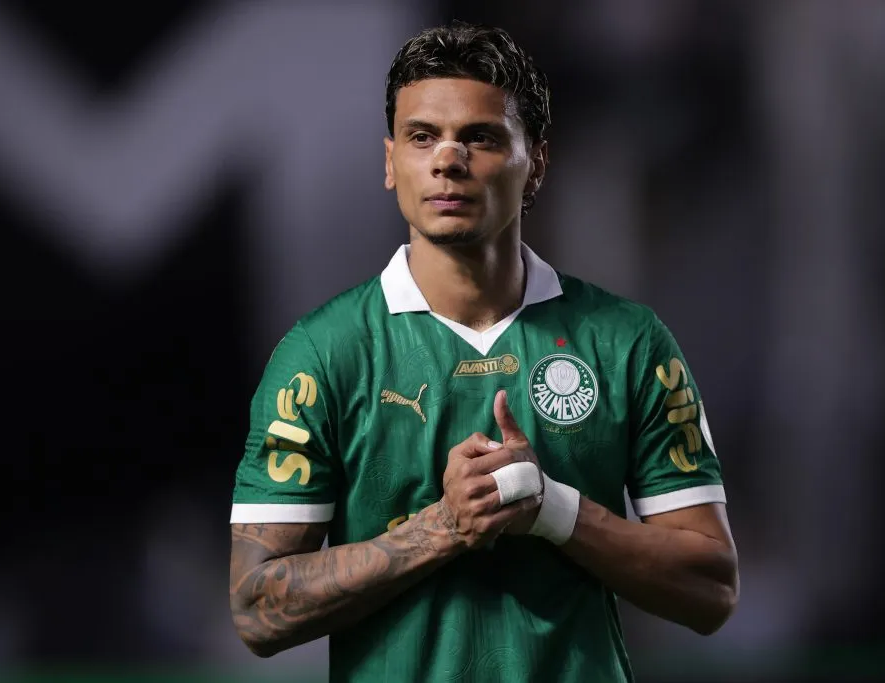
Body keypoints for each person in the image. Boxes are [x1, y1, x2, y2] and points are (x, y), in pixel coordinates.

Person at [229, 20, 738, 683]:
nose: (448, 159)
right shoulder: (322, 354)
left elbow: (711, 590)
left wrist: (551, 508)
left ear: (537, 166)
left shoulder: (626, 342)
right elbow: (256, 608)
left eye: (481, 137)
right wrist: (441, 527)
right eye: (422, 137)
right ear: (390, 163)